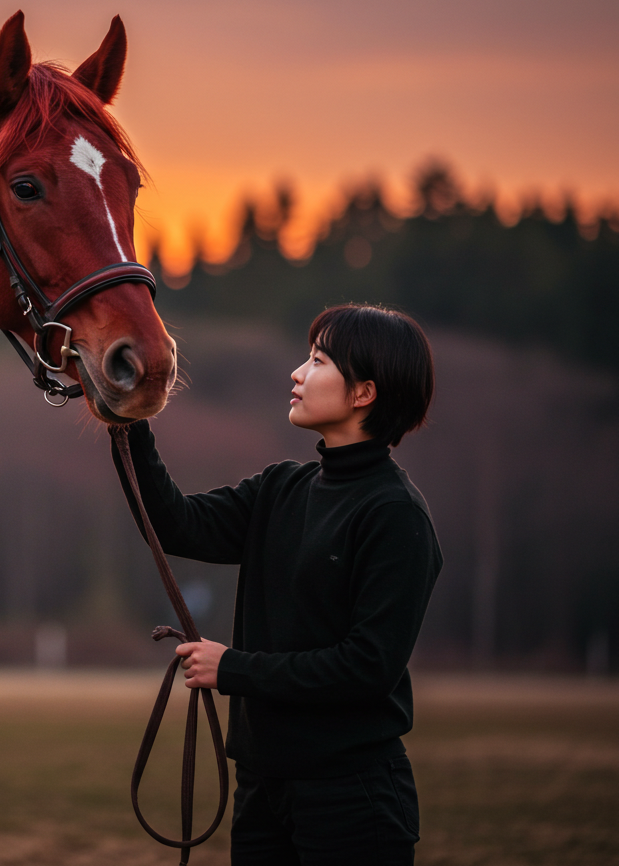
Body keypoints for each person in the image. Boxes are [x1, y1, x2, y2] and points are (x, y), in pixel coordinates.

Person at [112, 303, 442, 865]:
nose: (297, 373)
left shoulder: (396, 515)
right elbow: (173, 523)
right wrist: (127, 410)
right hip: (262, 791)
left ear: (363, 393)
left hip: (351, 800)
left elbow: (366, 668)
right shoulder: (281, 488)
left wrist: (232, 668)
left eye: (317, 361)